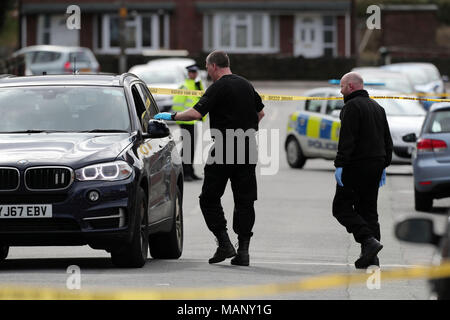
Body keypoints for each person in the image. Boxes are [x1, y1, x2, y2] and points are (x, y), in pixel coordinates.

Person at [154, 50, 265, 266]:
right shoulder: (246, 84)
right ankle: (243, 252)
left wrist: (172, 116)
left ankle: (224, 243)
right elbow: (260, 114)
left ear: (214, 66)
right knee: (245, 200)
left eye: (207, 68)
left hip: (224, 147)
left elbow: (196, 114)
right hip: (248, 147)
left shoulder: (218, 87)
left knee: (209, 198)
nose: (207, 72)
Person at [332, 72, 393, 269]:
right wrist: (384, 164)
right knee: (369, 210)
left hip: (356, 165)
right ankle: (371, 257)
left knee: (341, 208)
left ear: (350, 86)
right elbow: (387, 140)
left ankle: (368, 240)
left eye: (342, 87)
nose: (340, 91)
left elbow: (347, 140)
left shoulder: (351, 107)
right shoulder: (377, 107)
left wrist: (340, 165)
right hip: (375, 165)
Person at [172, 65, 204, 181]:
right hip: (185, 121)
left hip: (193, 121)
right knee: (187, 147)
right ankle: (185, 172)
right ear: (188, 73)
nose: (193, 74)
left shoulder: (197, 86)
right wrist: (180, 119)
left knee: (191, 147)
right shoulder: (184, 86)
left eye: (195, 72)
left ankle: (190, 171)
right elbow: (177, 105)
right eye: (191, 72)